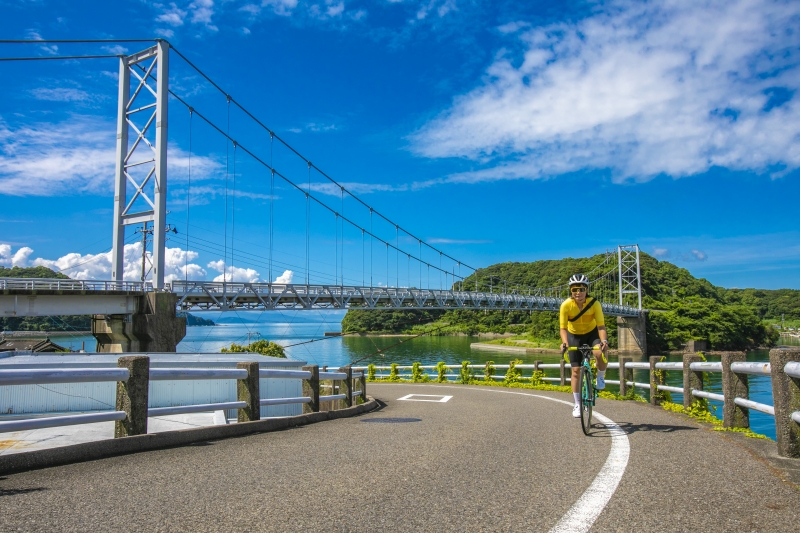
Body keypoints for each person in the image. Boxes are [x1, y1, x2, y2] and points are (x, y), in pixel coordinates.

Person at [559, 273, 609, 418]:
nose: (578, 293)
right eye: (574, 290)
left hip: (592, 333)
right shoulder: (566, 305)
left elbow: (601, 326)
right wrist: (565, 343)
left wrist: (604, 341)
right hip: (574, 335)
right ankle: (577, 404)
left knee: (599, 352)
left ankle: (600, 376)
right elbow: (563, 328)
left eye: (581, 289)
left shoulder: (594, 303)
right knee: (575, 371)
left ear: (586, 290)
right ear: (570, 291)